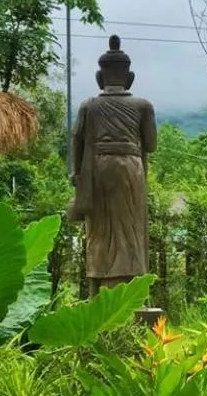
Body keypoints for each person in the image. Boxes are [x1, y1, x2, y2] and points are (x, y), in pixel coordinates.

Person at [67, 35, 157, 294]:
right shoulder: (143, 106)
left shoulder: (89, 106)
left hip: (96, 170)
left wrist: (76, 172)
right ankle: (131, 288)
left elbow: (76, 139)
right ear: (130, 78)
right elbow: (150, 144)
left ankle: (99, 287)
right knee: (131, 227)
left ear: (99, 78)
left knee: (99, 230)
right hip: (130, 168)